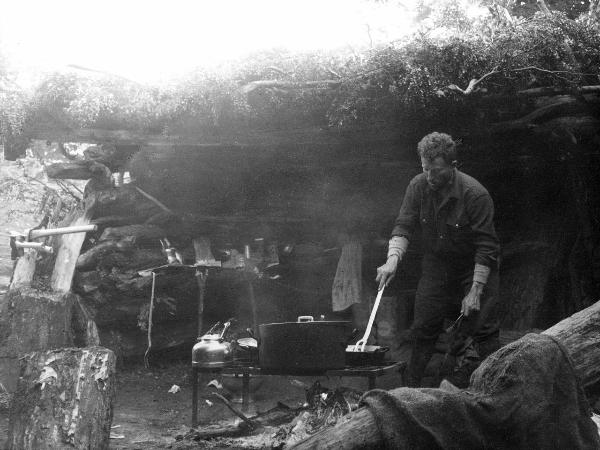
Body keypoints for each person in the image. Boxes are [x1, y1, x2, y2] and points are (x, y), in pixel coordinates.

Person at [376, 132, 500, 388]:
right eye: (425, 169)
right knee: (423, 327)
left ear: (453, 167)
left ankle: (481, 390)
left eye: (437, 171)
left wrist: (475, 290)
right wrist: (392, 260)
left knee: (481, 329)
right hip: (437, 264)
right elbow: (404, 224)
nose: (430, 177)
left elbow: (486, 246)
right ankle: (409, 390)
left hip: (473, 266)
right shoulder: (418, 186)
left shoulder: (475, 195)